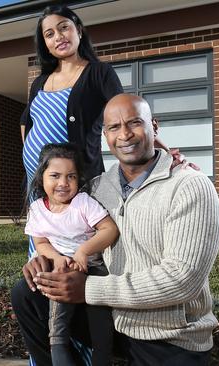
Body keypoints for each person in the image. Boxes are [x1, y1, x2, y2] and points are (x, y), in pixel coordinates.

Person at [11, 94, 219, 365]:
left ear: (154, 127)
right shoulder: (97, 187)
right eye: (113, 127)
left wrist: (88, 288)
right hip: (112, 321)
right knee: (26, 293)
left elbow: (183, 279)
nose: (124, 134)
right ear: (105, 136)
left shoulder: (189, 186)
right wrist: (41, 259)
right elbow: (65, 227)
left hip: (169, 337)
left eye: (134, 123)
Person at [20, 4, 175, 257]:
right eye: (49, 34)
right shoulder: (39, 81)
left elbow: (127, 113)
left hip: (73, 178)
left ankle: (80, 288)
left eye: (64, 28)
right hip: (40, 177)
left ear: (78, 30)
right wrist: (28, 158)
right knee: (42, 236)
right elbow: (27, 120)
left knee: (75, 238)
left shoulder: (98, 73)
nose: (58, 36)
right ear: (45, 44)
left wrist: (165, 151)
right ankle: (42, 287)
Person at [24, 143, 118, 366]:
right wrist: (57, 258)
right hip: (61, 270)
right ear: (41, 178)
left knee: (100, 328)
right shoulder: (37, 209)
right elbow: (40, 241)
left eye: (71, 176)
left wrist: (83, 251)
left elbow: (110, 229)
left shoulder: (82, 203)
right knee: (57, 330)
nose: (63, 183)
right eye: (55, 175)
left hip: (92, 271)